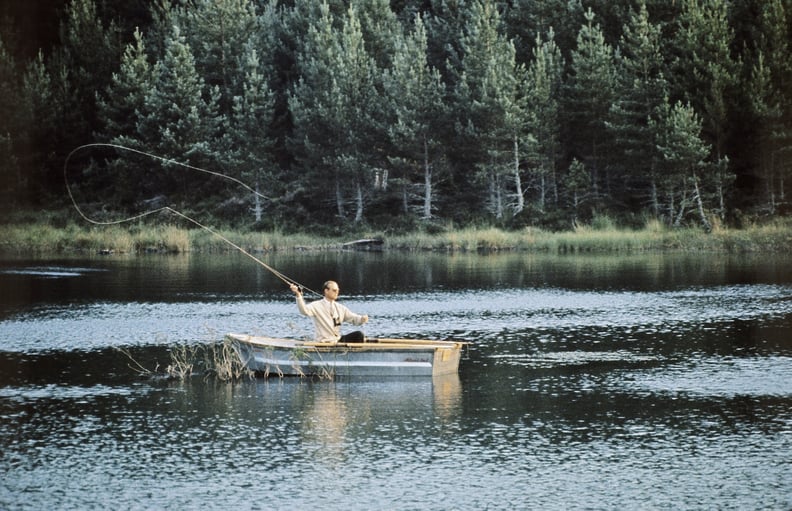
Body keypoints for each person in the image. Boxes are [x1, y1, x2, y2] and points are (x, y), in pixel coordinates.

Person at [289, 280, 369, 343]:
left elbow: (353, 318)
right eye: (334, 290)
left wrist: (362, 319)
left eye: (337, 290)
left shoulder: (340, 308)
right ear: (326, 291)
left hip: (337, 340)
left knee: (359, 335)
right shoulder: (316, 305)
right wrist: (298, 295)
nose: (337, 292)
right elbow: (304, 311)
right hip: (324, 342)